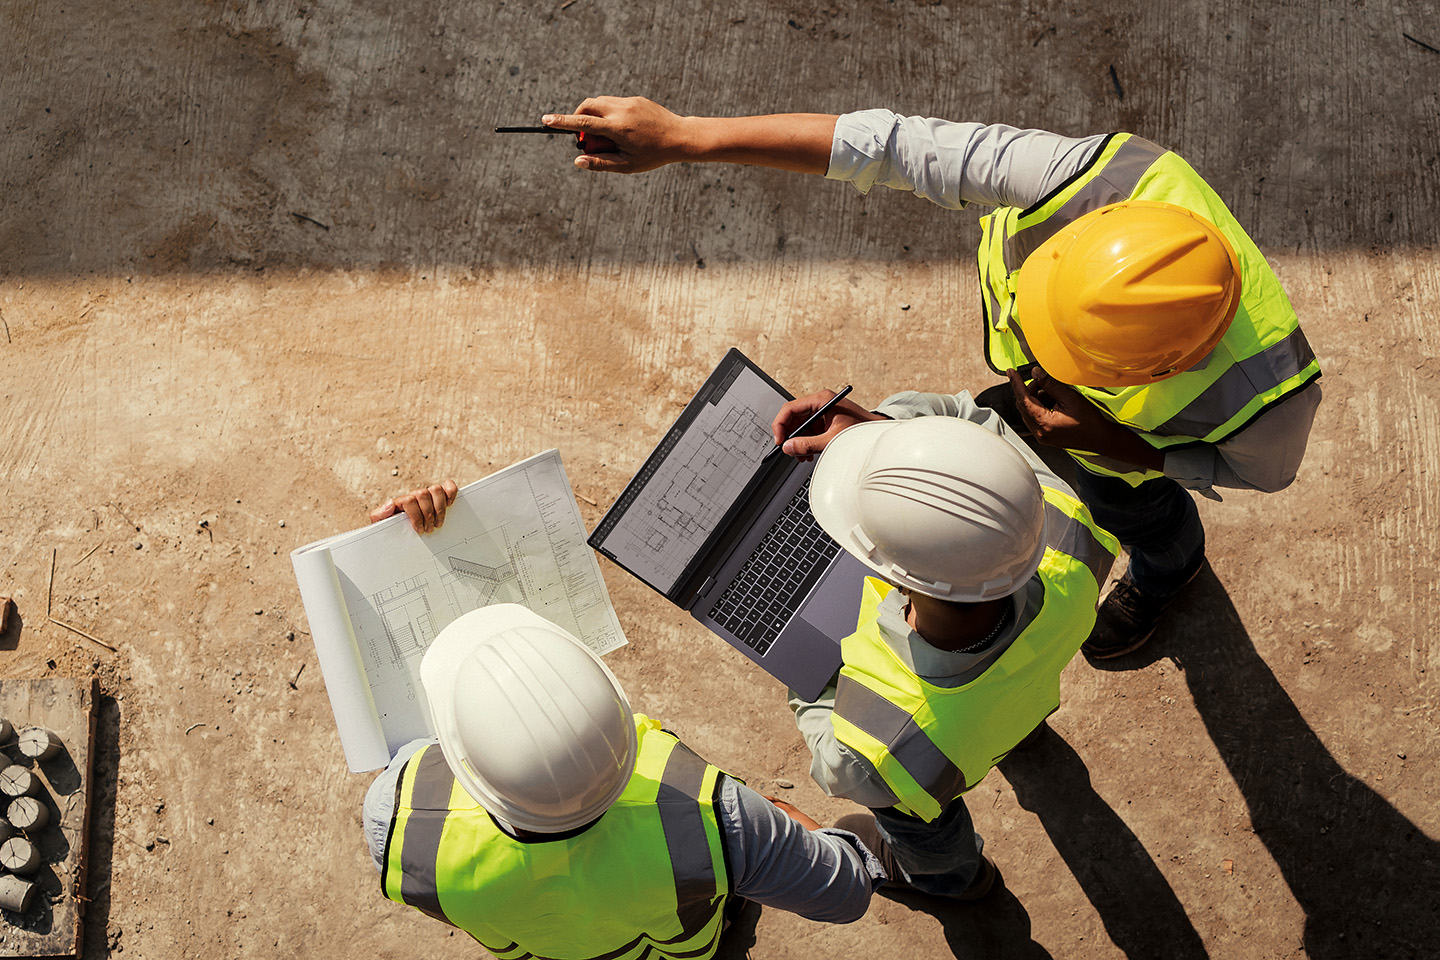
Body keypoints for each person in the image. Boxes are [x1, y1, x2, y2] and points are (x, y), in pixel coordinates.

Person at [538, 98, 1322, 659]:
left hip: (1123, 454)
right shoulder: (1091, 178)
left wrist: (1124, 446)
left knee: (1140, 512)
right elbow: (889, 146)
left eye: (1062, 359)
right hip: (1070, 423)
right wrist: (686, 136)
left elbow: (1265, 477)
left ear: (1156, 368)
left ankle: (1170, 567)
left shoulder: (1271, 404)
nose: (1032, 365)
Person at [364, 491, 886, 957]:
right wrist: (774, 825)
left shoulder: (396, 818)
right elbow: (845, 893)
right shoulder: (719, 818)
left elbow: (414, 736)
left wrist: (398, 554)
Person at [782, 392, 1117, 898]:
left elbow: (838, 767)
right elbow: (971, 424)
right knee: (1003, 711)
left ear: (886, 573)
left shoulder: (875, 751)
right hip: (1007, 703)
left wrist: (799, 663)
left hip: (930, 765)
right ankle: (1021, 739)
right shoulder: (1066, 531)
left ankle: (955, 880)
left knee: (921, 827)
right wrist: (880, 431)